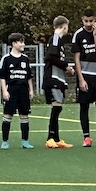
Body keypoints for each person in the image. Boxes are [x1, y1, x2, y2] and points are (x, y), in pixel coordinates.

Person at [72, 9, 96, 147]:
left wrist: (95, 36)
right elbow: (76, 59)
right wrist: (81, 79)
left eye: (91, 21)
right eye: (86, 21)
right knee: (84, 106)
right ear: (82, 20)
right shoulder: (78, 35)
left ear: (95, 20)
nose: (88, 24)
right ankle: (86, 137)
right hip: (85, 75)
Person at [0, 33, 35, 150]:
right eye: (21, 42)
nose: (23, 44)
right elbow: (2, 77)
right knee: (8, 115)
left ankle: (25, 141)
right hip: (11, 90)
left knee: (24, 115)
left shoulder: (25, 59)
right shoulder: (6, 59)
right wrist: (4, 91)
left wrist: (31, 90)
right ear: (14, 43)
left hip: (23, 90)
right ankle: (5, 141)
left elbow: (29, 76)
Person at [42, 16, 73, 149]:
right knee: (56, 106)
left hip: (58, 78)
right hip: (53, 77)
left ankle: (56, 138)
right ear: (64, 26)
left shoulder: (58, 40)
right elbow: (50, 57)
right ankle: (50, 138)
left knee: (58, 106)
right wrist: (66, 66)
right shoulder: (55, 38)